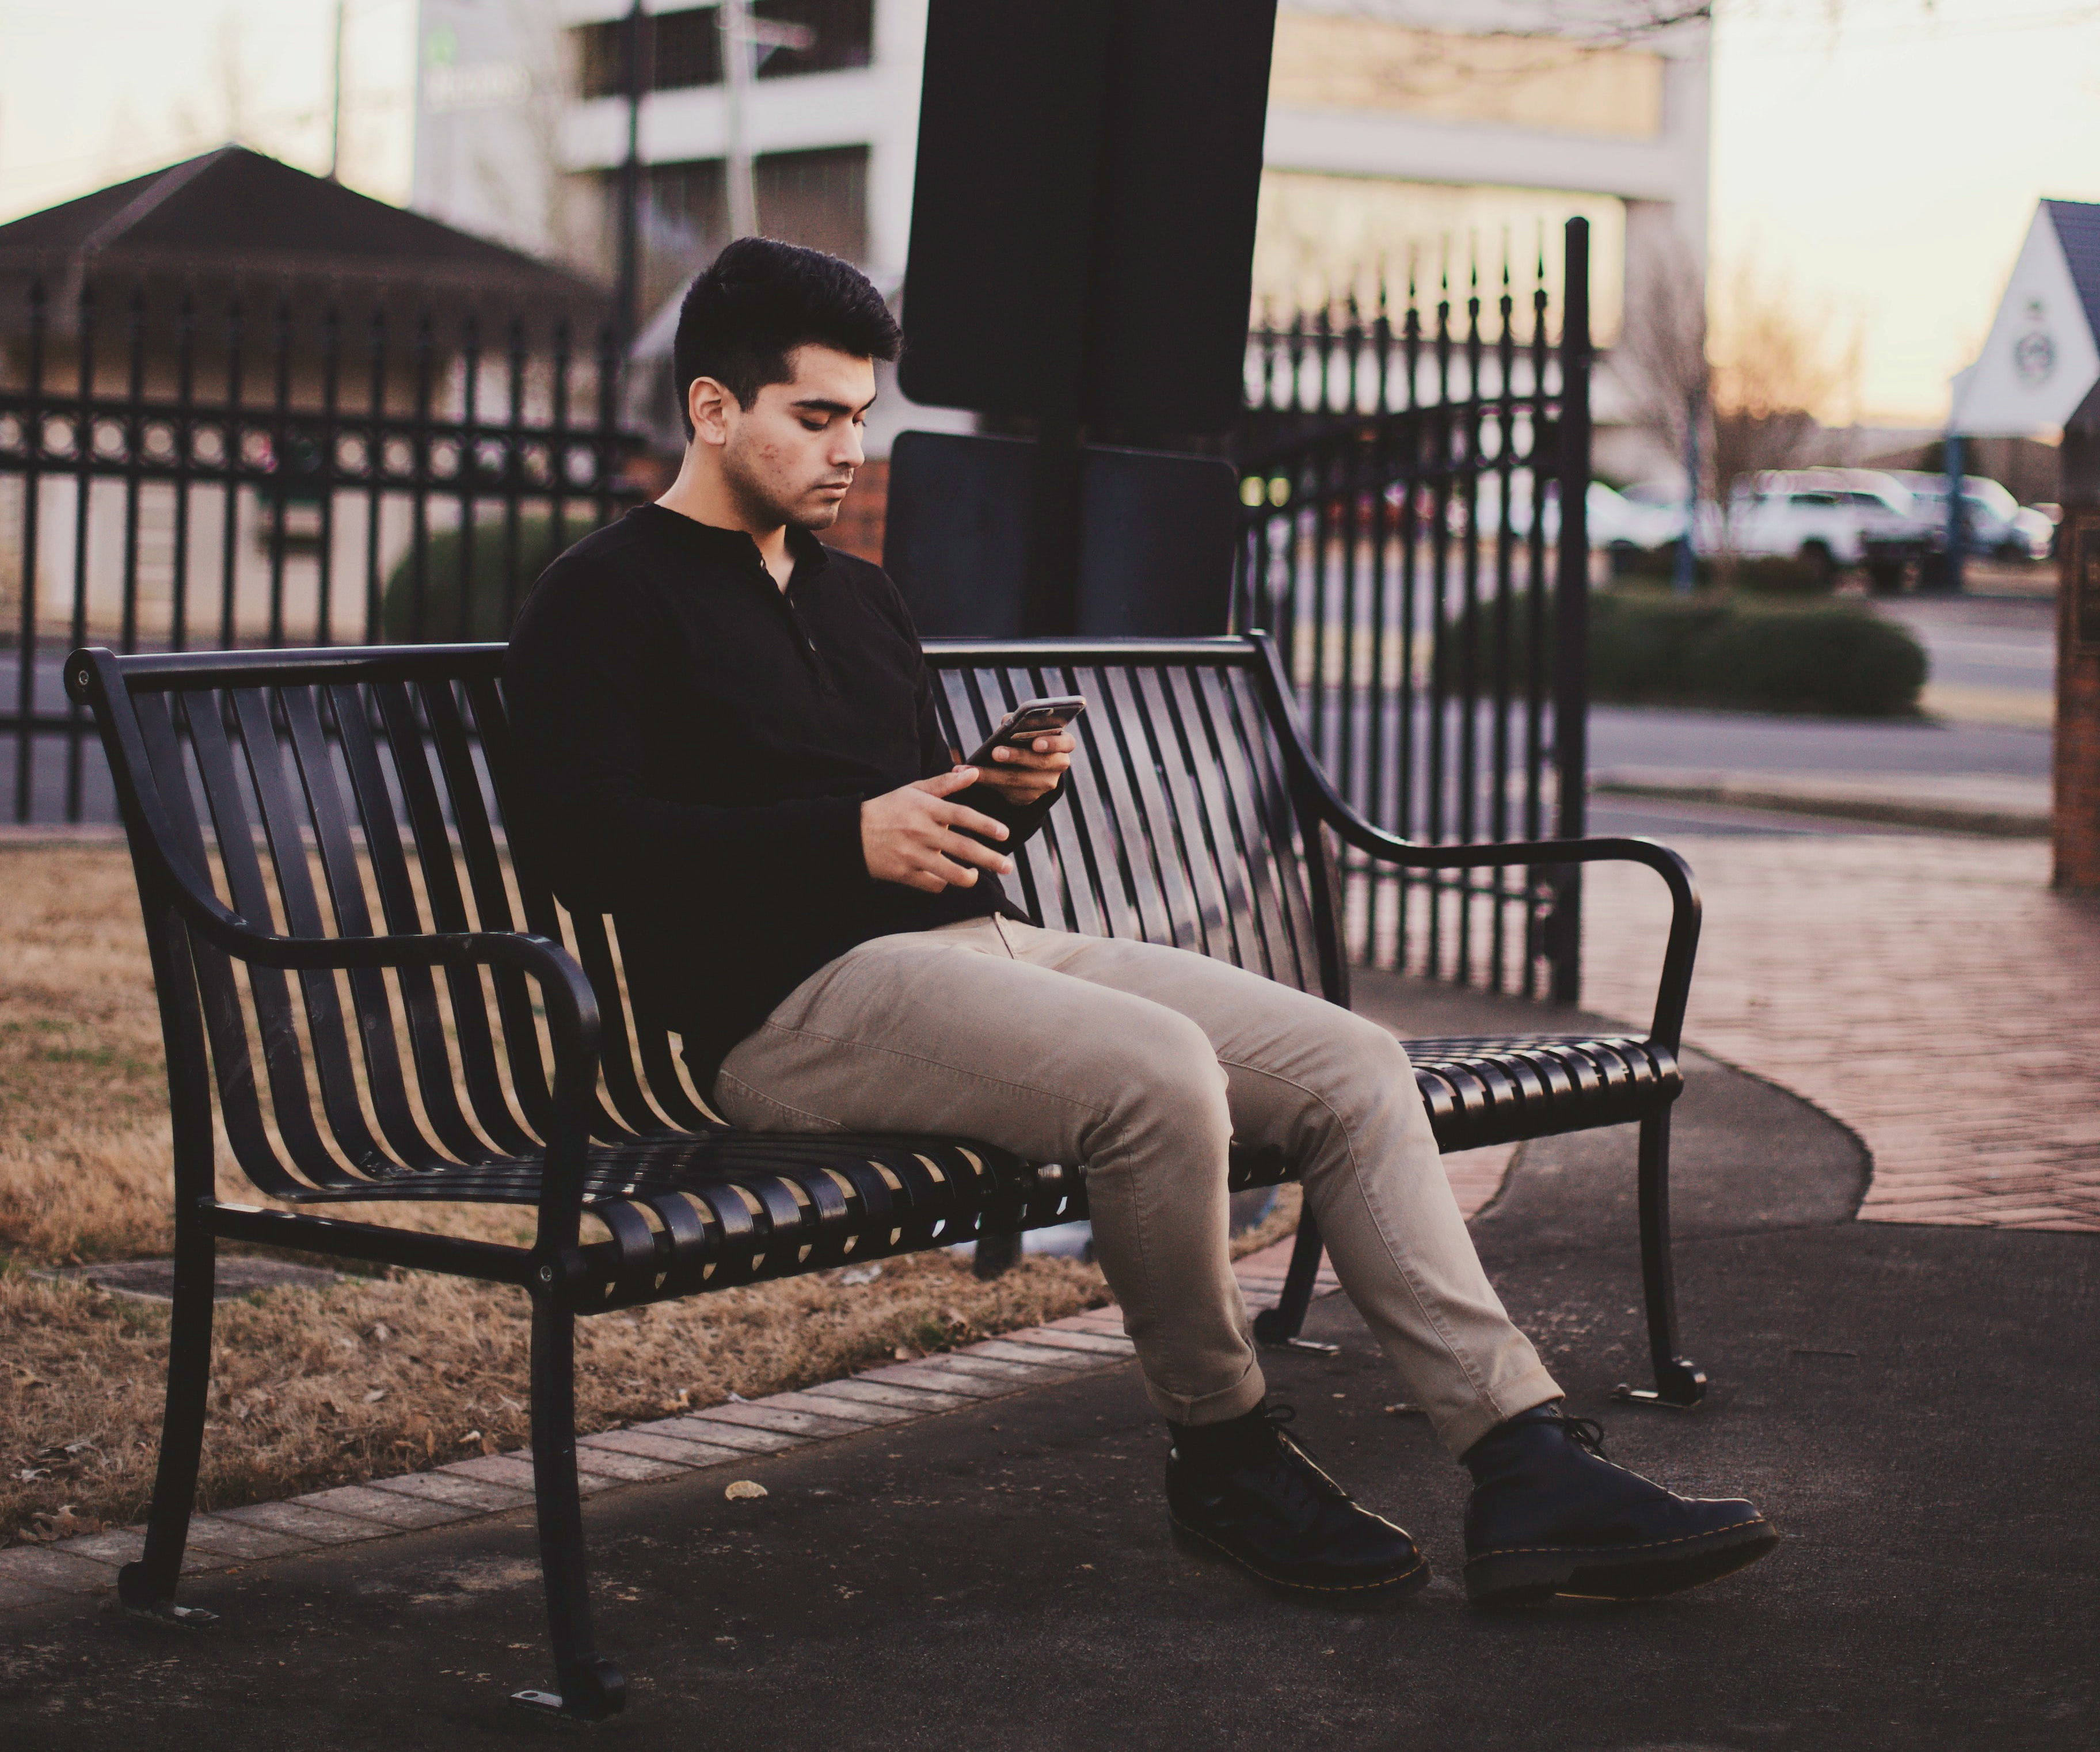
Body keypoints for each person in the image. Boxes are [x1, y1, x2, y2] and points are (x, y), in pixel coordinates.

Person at [505, 237, 1779, 1609]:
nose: (847, 450)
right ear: (713, 408)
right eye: (816, 416)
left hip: (970, 958)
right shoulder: (602, 595)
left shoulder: (854, 593)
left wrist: (998, 798)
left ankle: (1524, 1462)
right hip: (782, 1010)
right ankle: (1223, 1448)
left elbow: (920, 831)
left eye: (861, 417)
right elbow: (581, 848)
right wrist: (840, 834)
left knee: (1354, 1061)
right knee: (1155, 1075)